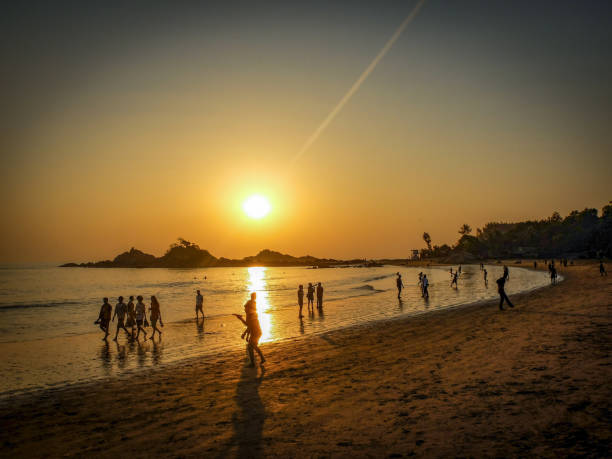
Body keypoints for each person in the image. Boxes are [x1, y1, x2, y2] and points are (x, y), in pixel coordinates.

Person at [233, 292, 265, 366]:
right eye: (245, 307)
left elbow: (248, 325)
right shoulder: (251, 313)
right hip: (256, 332)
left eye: (246, 307)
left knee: (251, 346)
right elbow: (249, 326)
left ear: (249, 308)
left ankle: (253, 363)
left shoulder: (250, 315)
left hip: (256, 332)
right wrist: (246, 335)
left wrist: (240, 319)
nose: (245, 309)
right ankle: (262, 359)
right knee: (253, 346)